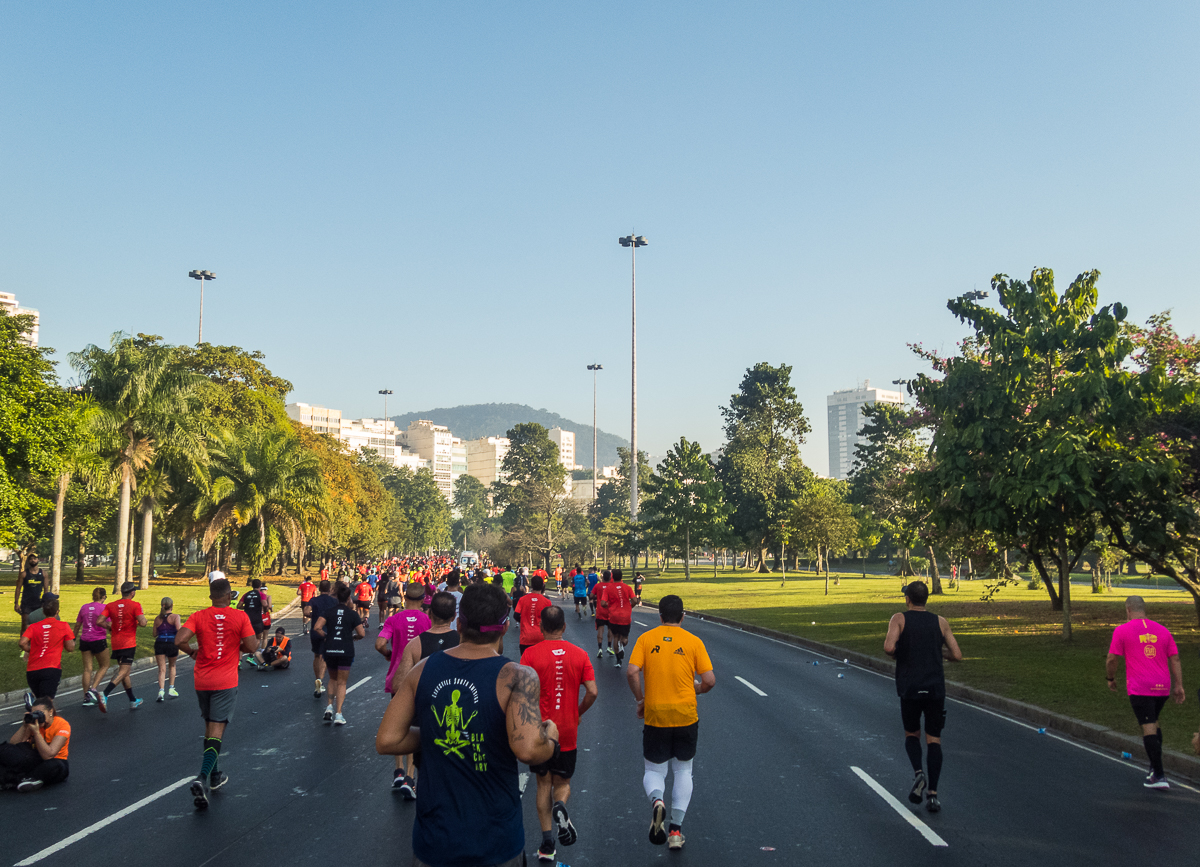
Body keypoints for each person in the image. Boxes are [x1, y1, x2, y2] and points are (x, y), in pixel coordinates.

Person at [375, 583, 560, 867]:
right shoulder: (518, 676)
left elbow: (387, 740)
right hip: (496, 840)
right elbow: (529, 751)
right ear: (505, 627)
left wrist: (436, 735)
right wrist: (551, 738)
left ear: (459, 623)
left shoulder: (422, 669)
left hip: (435, 839)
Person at [626, 594, 715, 851]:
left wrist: (640, 699)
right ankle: (675, 831)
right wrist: (694, 688)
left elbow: (632, 671)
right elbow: (709, 680)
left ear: (660, 616)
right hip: (686, 715)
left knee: (654, 771)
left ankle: (657, 802)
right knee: (683, 770)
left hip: (656, 715)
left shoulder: (646, 639)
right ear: (683, 616)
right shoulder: (693, 641)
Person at [521, 605, 597, 862]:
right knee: (562, 783)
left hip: (541, 730)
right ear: (564, 627)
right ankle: (560, 805)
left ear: (541, 628)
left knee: (543, 783)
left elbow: (522, 693)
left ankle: (547, 843)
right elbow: (593, 691)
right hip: (567, 729)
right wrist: (577, 713)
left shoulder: (530, 655)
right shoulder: (580, 654)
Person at [175, 578, 259, 810]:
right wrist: (235, 646)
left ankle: (215, 775)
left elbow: (179, 640)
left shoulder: (199, 616)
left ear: (211, 595)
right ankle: (202, 777)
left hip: (202, 680)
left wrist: (192, 652)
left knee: (210, 728)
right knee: (217, 731)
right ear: (230, 595)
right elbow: (252, 647)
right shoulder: (240, 617)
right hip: (225, 681)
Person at [883, 580, 963, 813]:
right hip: (935, 688)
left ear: (908, 598)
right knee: (934, 739)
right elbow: (957, 654)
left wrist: (904, 652)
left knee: (912, 734)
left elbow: (889, 648)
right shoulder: (940, 622)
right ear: (926, 598)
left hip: (910, 686)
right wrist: (937, 651)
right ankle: (933, 795)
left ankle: (919, 773)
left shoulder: (899, 618)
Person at [1105, 595, 1187, 789]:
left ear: (1128, 610)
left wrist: (1110, 678)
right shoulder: (1163, 630)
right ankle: (1153, 768)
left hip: (1140, 688)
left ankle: (1159, 776)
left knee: (1148, 727)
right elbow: (1175, 659)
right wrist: (1179, 685)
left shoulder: (1121, 630)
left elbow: (1111, 659)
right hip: (1162, 687)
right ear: (1144, 609)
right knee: (1154, 722)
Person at [390, 592, 462, 799]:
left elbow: (398, 684)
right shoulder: (462, 642)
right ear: (453, 616)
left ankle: (417, 786)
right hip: (458, 720)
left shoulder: (415, 644)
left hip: (426, 718)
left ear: (429, 613)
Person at [376, 582, 432, 789]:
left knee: (399, 724)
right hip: (420, 679)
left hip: (397, 680)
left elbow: (379, 644)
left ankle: (398, 772)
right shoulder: (427, 620)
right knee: (415, 726)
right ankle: (410, 777)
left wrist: (389, 655)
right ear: (423, 599)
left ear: (405, 597)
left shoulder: (393, 619)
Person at [313, 582, 365, 726]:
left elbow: (317, 627)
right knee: (342, 683)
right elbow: (361, 633)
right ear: (348, 599)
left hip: (330, 649)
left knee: (332, 679)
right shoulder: (352, 614)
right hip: (345, 650)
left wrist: (326, 636)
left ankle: (329, 706)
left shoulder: (329, 611)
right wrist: (354, 637)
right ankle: (339, 713)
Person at [95, 582, 147, 712]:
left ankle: (132, 700)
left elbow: (99, 621)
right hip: (128, 642)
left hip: (116, 643)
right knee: (124, 671)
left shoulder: (111, 605)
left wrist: (110, 626)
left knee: (125, 673)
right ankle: (105, 694)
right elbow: (143, 623)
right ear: (132, 592)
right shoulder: (136, 605)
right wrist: (140, 621)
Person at [0, 697, 70, 792]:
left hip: (54, 761)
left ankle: (17, 779)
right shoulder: (33, 723)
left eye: (40, 713)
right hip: (35, 759)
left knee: (56, 766)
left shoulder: (62, 725)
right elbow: (14, 745)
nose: (37, 717)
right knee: (6, 751)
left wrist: (36, 733)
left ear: (50, 712)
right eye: (34, 714)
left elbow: (48, 755)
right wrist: (25, 726)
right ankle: (26, 780)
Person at [20, 599, 75, 699]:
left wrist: (30, 650)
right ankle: (33, 705)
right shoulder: (63, 626)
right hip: (51, 668)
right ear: (57, 612)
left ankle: (32, 701)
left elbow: (22, 642)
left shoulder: (34, 627)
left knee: (41, 700)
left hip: (33, 670)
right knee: (46, 702)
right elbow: (70, 648)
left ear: (43, 612)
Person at [75, 588, 110, 707]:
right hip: (98, 639)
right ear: (104, 597)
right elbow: (109, 624)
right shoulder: (104, 608)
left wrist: (74, 638)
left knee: (87, 669)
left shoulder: (84, 607)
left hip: (85, 639)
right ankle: (93, 689)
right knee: (105, 665)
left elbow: (78, 624)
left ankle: (86, 696)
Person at [305, 580, 338, 698]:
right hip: (327, 631)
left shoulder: (313, 600)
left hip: (315, 630)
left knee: (316, 655)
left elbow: (306, 611)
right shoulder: (334, 601)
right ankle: (321, 680)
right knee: (324, 657)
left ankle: (317, 678)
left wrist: (314, 616)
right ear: (330, 589)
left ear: (319, 588)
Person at [600, 569, 637, 667]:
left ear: (612, 577)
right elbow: (635, 600)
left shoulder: (608, 588)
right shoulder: (627, 588)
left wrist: (610, 607)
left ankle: (618, 660)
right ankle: (622, 646)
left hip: (614, 616)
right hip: (625, 616)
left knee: (615, 636)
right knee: (625, 638)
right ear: (622, 577)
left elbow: (602, 603)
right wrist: (630, 606)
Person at [514, 575, 555, 657]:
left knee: (526, 665)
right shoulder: (547, 602)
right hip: (541, 637)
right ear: (542, 586)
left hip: (526, 638)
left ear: (531, 586)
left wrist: (524, 620)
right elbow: (549, 619)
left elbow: (516, 615)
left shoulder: (522, 600)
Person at [153, 597, 182, 702]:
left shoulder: (157, 618)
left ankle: (161, 691)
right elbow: (178, 629)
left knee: (161, 668)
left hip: (160, 643)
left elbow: (154, 634)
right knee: (172, 665)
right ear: (172, 606)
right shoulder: (175, 617)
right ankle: (171, 688)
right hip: (171, 643)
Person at [15, 555, 48, 635]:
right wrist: (16, 603)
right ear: (28, 561)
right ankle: (23, 644)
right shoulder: (24, 574)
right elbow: (18, 588)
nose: (33, 560)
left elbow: (46, 589)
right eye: (31, 559)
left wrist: (45, 603)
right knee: (25, 625)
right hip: (26, 603)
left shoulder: (43, 574)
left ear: (38, 560)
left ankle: (35, 643)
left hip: (38, 603)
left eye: (35, 558)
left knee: (38, 625)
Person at [237, 579, 269, 661]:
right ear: (260, 586)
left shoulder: (246, 594)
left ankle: (239, 660)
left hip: (246, 619)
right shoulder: (261, 594)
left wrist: (247, 607)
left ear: (252, 585)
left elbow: (239, 605)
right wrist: (266, 609)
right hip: (257, 619)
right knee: (258, 638)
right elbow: (264, 604)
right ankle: (250, 656)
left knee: (242, 639)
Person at [593, 570, 612, 659]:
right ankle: (609, 646)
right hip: (610, 611)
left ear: (603, 577)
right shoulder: (612, 586)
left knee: (600, 630)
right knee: (610, 629)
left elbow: (591, 595)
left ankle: (600, 648)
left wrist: (598, 596)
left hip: (600, 611)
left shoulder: (598, 586)